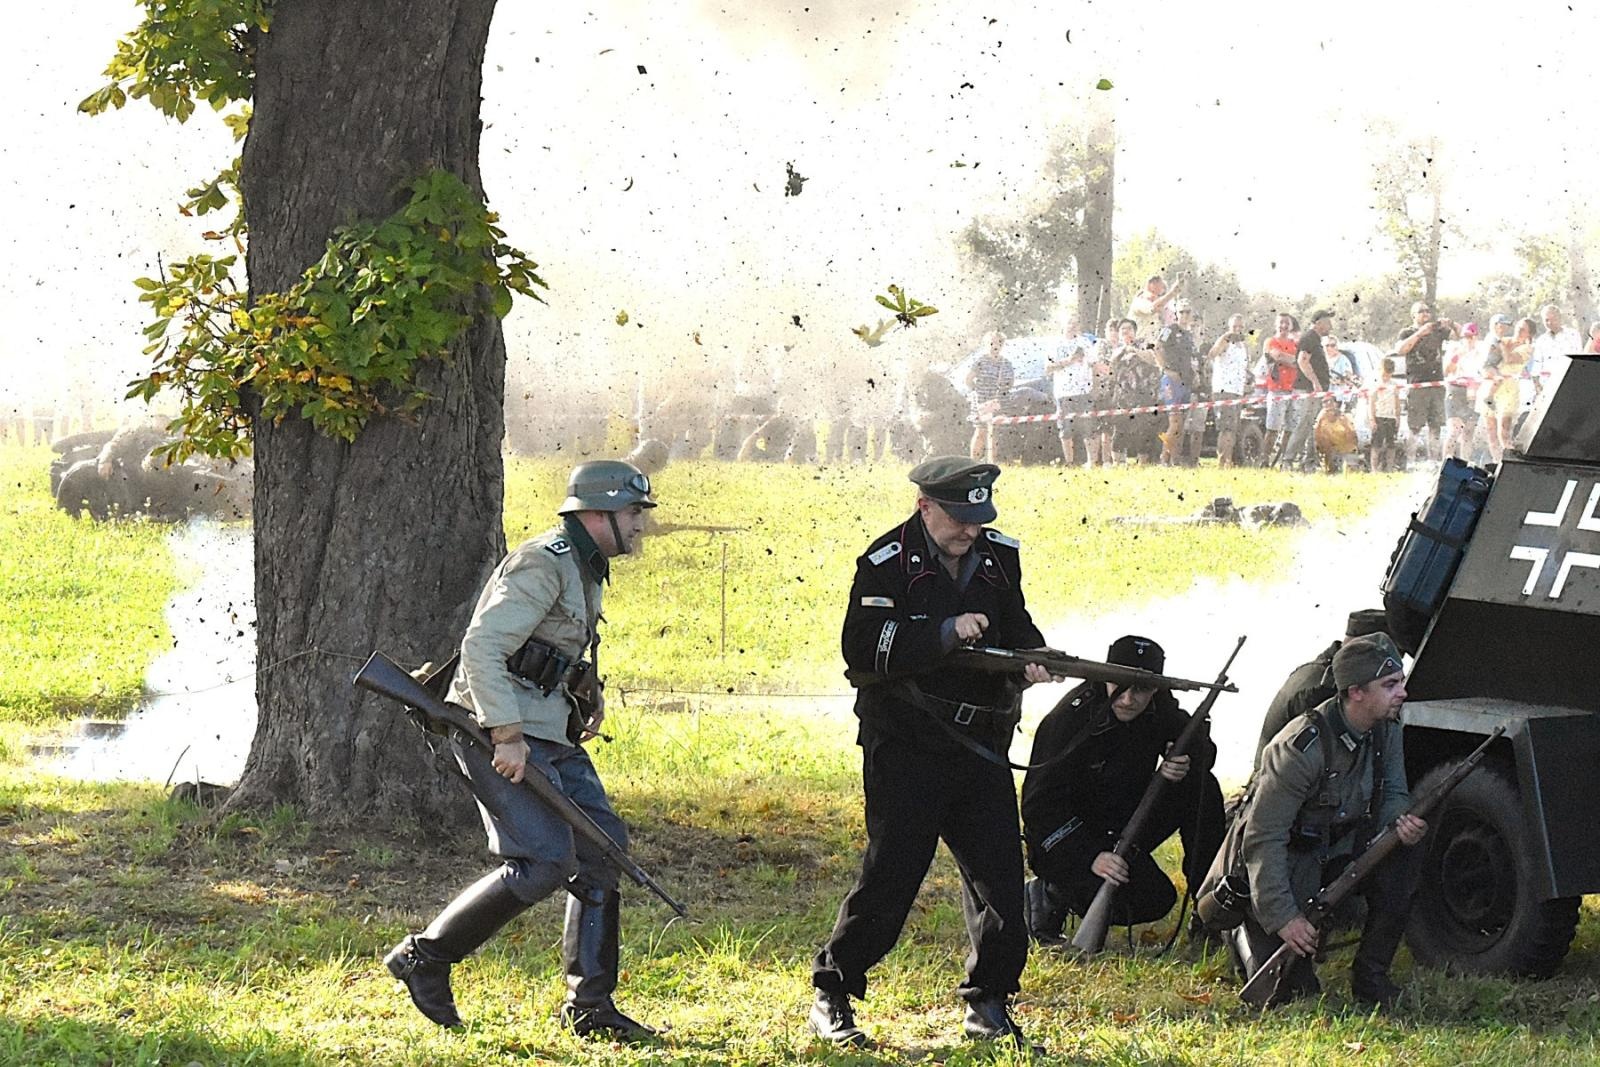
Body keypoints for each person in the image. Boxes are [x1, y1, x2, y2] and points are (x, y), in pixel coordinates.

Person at [384, 460, 659, 1040]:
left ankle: (590, 1007)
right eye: (634, 513)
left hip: (550, 731)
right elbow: (481, 648)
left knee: (602, 849)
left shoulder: (585, 565)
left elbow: (550, 649)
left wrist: (587, 695)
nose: (641, 525)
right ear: (598, 512)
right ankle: (425, 957)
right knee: (545, 859)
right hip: (501, 731)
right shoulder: (544, 562)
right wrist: (506, 737)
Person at [810, 457, 1053, 1050]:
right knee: (892, 878)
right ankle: (834, 989)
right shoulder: (885, 563)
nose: (970, 530)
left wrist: (1031, 658)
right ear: (925, 507)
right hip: (908, 747)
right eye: (959, 517)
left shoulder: (999, 556)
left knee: (1000, 879)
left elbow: (1014, 621)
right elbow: (863, 652)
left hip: (981, 747)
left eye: (979, 517)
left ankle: (989, 1002)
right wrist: (945, 632)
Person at [1204, 635, 1425, 1008]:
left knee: (1402, 859)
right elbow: (1263, 838)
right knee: (1291, 994)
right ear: (1355, 692)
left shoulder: (1385, 728)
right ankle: (1246, 927)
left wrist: (1398, 824)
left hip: (1334, 851)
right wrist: (1285, 917)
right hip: (1282, 868)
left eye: (1400, 682)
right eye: (1390, 685)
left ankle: (1371, 977)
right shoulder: (1299, 748)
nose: (1402, 693)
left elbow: (1392, 792)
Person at [1020, 636, 1225, 943]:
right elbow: (1039, 808)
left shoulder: (1160, 705)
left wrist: (1186, 759)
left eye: (1141, 688)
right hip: (1073, 835)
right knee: (1134, 899)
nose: (1129, 699)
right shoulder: (1068, 720)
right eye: (1120, 684)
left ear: (1155, 688)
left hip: (1124, 824)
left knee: (1200, 788)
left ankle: (1209, 909)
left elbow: (1199, 743)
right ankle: (1051, 892)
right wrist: (1090, 856)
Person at [1395, 302, 1458, 463]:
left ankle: (1433, 461)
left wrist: (1450, 323)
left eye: (1427, 311)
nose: (1425, 314)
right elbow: (1400, 350)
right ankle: (1410, 461)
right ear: (1413, 315)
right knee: (1414, 426)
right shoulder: (1407, 332)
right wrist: (1420, 333)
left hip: (1437, 383)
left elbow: (1460, 335)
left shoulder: (1438, 331)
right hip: (1417, 384)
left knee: (1435, 426)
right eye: (1421, 311)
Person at [1276, 310, 1333, 471]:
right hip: (1306, 390)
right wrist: (1315, 382)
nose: (1331, 326)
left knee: (1311, 426)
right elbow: (1302, 361)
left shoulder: (1315, 340)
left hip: (1313, 390)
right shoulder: (1309, 338)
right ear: (1319, 323)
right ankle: (1287, 460)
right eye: (1328, 322)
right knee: (1304, 425)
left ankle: (1308, 462)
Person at [1482, 316, 1534, 464]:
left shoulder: (1527, 348)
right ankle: (1496, 461)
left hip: (1509, 389)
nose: (1518, 330)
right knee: (1491, 430)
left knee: (1504, 429)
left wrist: (1500, 343)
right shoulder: (1504, 340)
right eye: (1518, 327)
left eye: (1523, 329)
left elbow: (1510, 358)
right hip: (1492, 384)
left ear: (1529, 333)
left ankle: (1509, 462)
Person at [1047, 319, 1097, 467]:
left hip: (1083, 390)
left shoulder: (1085, 343)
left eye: (1076, 324)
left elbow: (1094, 364)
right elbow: (1048, 368)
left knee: (1088, 427)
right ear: (1063, 325)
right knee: (1066, 429)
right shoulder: (1055, 344)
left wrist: (1095, 387)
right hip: (1064, 392)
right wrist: (1068, 361)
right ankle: (1069, 462)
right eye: (1069, 323)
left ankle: (1091, 462)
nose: (1072, 326)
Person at [1157, 303, 1201, 466]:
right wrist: (1166, 369)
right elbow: (1157, 348)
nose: (1184, 315)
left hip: (1186, 381)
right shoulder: (1170, 330)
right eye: (1181, 312)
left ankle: (1174, 458)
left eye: (1187, 312)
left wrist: (1194, 374)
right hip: (1171, 380)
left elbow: (1191, 358)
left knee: (1181, 424)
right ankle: (1163, 458)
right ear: (1176, 313)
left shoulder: (1189, 335)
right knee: (1174, 422)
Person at [1208, 314, 1251, 468]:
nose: (1237, 330)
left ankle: (1228, 460)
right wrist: (1225, 338)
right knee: (1225, 428)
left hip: (1237, 391)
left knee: (1233, 428)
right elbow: (1212, 354)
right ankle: (1222, 461)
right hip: (1223, 389)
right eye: (1235, 326)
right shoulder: (1225, 342)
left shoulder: (1244, 347)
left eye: (1240, 327)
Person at [965, 332, 1015, 460]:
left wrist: (1003, 385)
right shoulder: (980, 361)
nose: (995, 346)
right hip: (982, 401)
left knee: (995, 432)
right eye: (992, 343)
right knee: (981, 431)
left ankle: (991, 462)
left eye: (999, 343)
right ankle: (973, 462)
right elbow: (969, 379)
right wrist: (976, 391)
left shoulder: (1007, 363)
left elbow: (1011, 383)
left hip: (998, 401)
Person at [1260, 313, 1300, 467]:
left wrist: (1291, 360)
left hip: (1293, 390)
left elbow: (1297, 360)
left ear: (1291, 326)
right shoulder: (1271, 341)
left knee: (1290, 428)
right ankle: (1264, 459)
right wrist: (1293, 360)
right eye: (1281, 322)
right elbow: (1278, 356)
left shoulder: (1295, 344)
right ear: (1276, 324)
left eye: (1287, 323)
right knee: (1273, 428)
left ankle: (1285, 460)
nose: (1283, 326)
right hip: (1277, 390)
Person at [1442, 322, 1483, 463]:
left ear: (1476, 336)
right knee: (1454, 430)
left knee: (1468, 431)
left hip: (1474, 391)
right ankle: (1446, 461)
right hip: (1456, 389)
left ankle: (1465, 462)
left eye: (1471, 336)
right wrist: (1457, 356)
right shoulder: (1455, 349)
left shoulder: (1481, 351)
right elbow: (1446, 370)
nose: (1468, 340)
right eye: (1465, 337)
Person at [1368, 357, 1402, 473]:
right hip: (1379, 416)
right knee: (1376, 444)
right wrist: (1372, 419)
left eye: (1388, 375)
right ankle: (1374, 469)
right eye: (1384, 374)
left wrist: (1398, 417)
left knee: (1390, 444)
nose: (1386, 377)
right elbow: (1371, 403)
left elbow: (1397, 401)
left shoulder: (1394, 385)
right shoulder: (1375, 384)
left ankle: (1389, 467)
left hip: (1391, 416)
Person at [1129, 273, 1185, 341]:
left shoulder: (1164, 312)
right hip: (1137, 346)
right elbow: (1152, 308)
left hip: (1152, 347)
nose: (1158, 297)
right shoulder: (1139, 302)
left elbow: (1165, 332)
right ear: (1151, 285)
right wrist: (1172, 293)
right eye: (1160, 288)